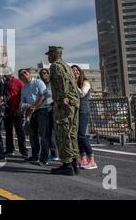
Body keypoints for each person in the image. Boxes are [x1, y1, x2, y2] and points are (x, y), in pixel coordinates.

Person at [47, 46, 80, 176]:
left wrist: (63, 98)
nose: (48, 57)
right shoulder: (66, 65)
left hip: (64, 104)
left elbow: (62, 82)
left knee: (63, 133)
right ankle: (74, 162)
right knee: (72, 134)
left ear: (55, 54)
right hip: (74, 103)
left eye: (50, 54)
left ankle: (67, 164)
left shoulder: (55, 66)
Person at [20, 68, 49, 165]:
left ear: (29, 73)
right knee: (33, 135)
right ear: (20, 77)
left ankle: (44, 158)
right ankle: (35, 155)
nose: (24, 74)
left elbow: (43, 96)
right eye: (21, 74)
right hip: (31, 112)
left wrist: (34, 107)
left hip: (42, 110)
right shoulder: (24, 88)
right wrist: (28, 107)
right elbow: (22, 103)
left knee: (43, 135)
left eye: (25, 72)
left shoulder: (38, 82)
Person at [71, 65, 98, 170]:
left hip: (83, 111)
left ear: (80, 72)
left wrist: (73, 84)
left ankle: (91, 159)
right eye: (72, 71)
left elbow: (82, 94)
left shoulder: (85, 82)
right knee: (77, 136)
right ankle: (83, 158)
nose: (75, 72)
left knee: (82, 135)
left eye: (76, 70)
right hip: (75, 112)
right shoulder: (74, 83)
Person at [3, 69, 27, 158]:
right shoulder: (4, 83)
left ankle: (24, 151)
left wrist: (21, 107)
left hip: (17, 109)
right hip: (7, 109)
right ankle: (10, 150)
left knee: (20, 131)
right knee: (8, 131)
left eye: (7, 72)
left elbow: (23, 94)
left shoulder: (18, 82)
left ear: (11, 73)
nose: (6, 74)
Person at [39, 68, 59, 161]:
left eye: (44, 73)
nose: (43, 75)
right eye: (41, 74)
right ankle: (53, 154)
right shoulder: (42, 85)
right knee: (48, 133)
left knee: (57, 133)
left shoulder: (54, 84)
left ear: (48, 74)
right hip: (44, 110)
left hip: (54, 110)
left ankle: (63, 156)